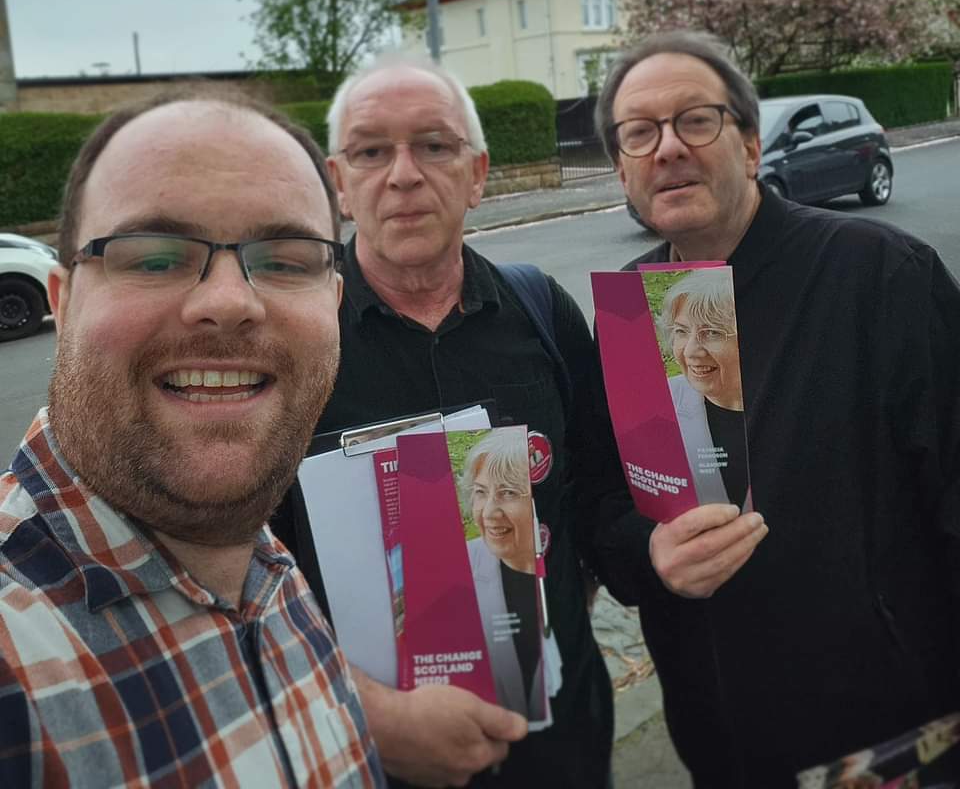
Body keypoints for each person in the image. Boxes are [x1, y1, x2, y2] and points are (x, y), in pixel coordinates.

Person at [585, 30, 960, 787]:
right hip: (718, 739)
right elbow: (603, 499)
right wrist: (648, 555)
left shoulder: (881, 274)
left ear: (752, 145)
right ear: (623, 171)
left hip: (887, 737)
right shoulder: (627, 310)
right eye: (640, 134)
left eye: (697, 120)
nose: (668, 149)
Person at [0, 92, 382, 787]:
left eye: (288, 260)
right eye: (152, 258)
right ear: (62, 304)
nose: (230, 301)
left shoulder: (266, 566)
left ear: (332, 303)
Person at [274, 54, 615, 788]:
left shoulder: (542, 311)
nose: (402, 175)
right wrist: (362, 712)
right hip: (376, 754)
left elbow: (599, 495)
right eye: (371, 151)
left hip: (559, 735)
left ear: (478, 172)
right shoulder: (289, 342)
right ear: (338, 183)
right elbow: (240, 574)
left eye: (434, 145)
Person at [459, 430, 546, 720]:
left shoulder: (553, 563)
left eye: (508, 492)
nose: (490, 513)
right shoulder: (459, 563)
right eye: (481, 492)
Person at [658, 270, 749, 509]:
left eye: (712, 333)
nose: (690, 352)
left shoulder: (792, 393)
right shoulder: (658, 402)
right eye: (681, 331)